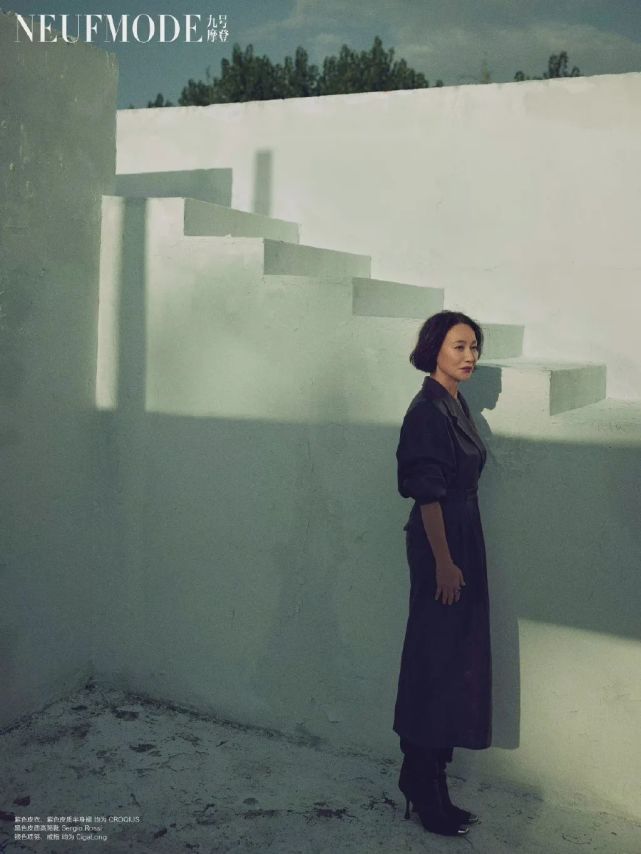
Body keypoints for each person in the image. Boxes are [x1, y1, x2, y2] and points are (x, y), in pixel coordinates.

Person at [393, 310, 491, 838]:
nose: (470, 356)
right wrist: (445, 562)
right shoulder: (426, 411)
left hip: (463, 537)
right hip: (442, 544)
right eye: (459, 346)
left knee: (454, 662)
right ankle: (419, 780)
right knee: (433, 662)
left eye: (474, 347)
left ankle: (432, 781)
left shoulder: (455, 402)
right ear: (434, 349)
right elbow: (427, 494)